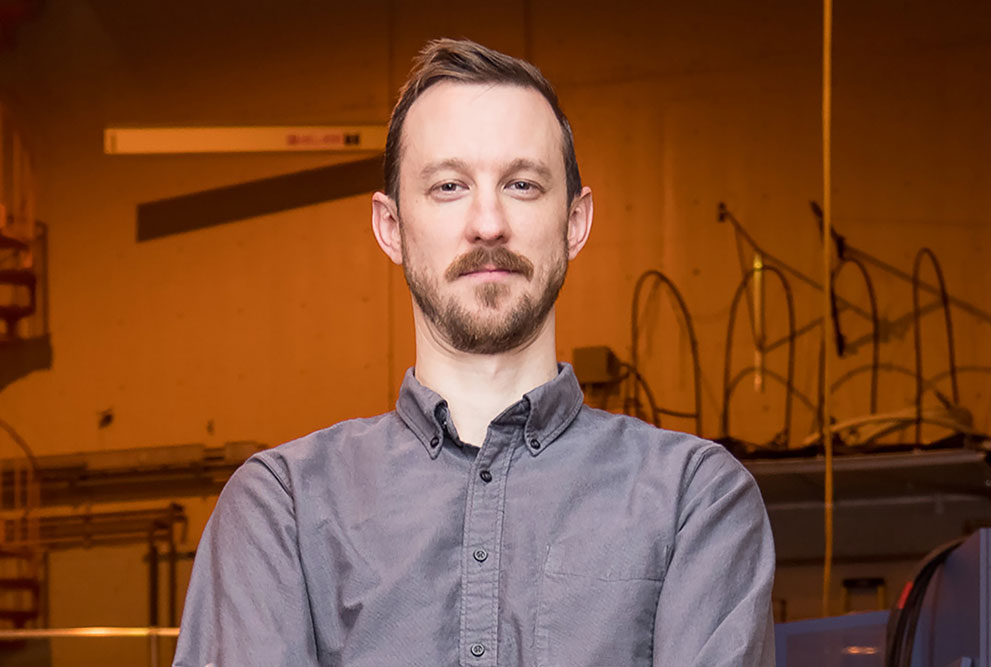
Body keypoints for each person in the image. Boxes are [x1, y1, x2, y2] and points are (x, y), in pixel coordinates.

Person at [173, 38, 775, 667]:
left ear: (575, 222)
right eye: (449, 186)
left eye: (521, 183)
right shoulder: (282, 510)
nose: (488, 222)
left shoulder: (695, 498)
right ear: (391, 226)